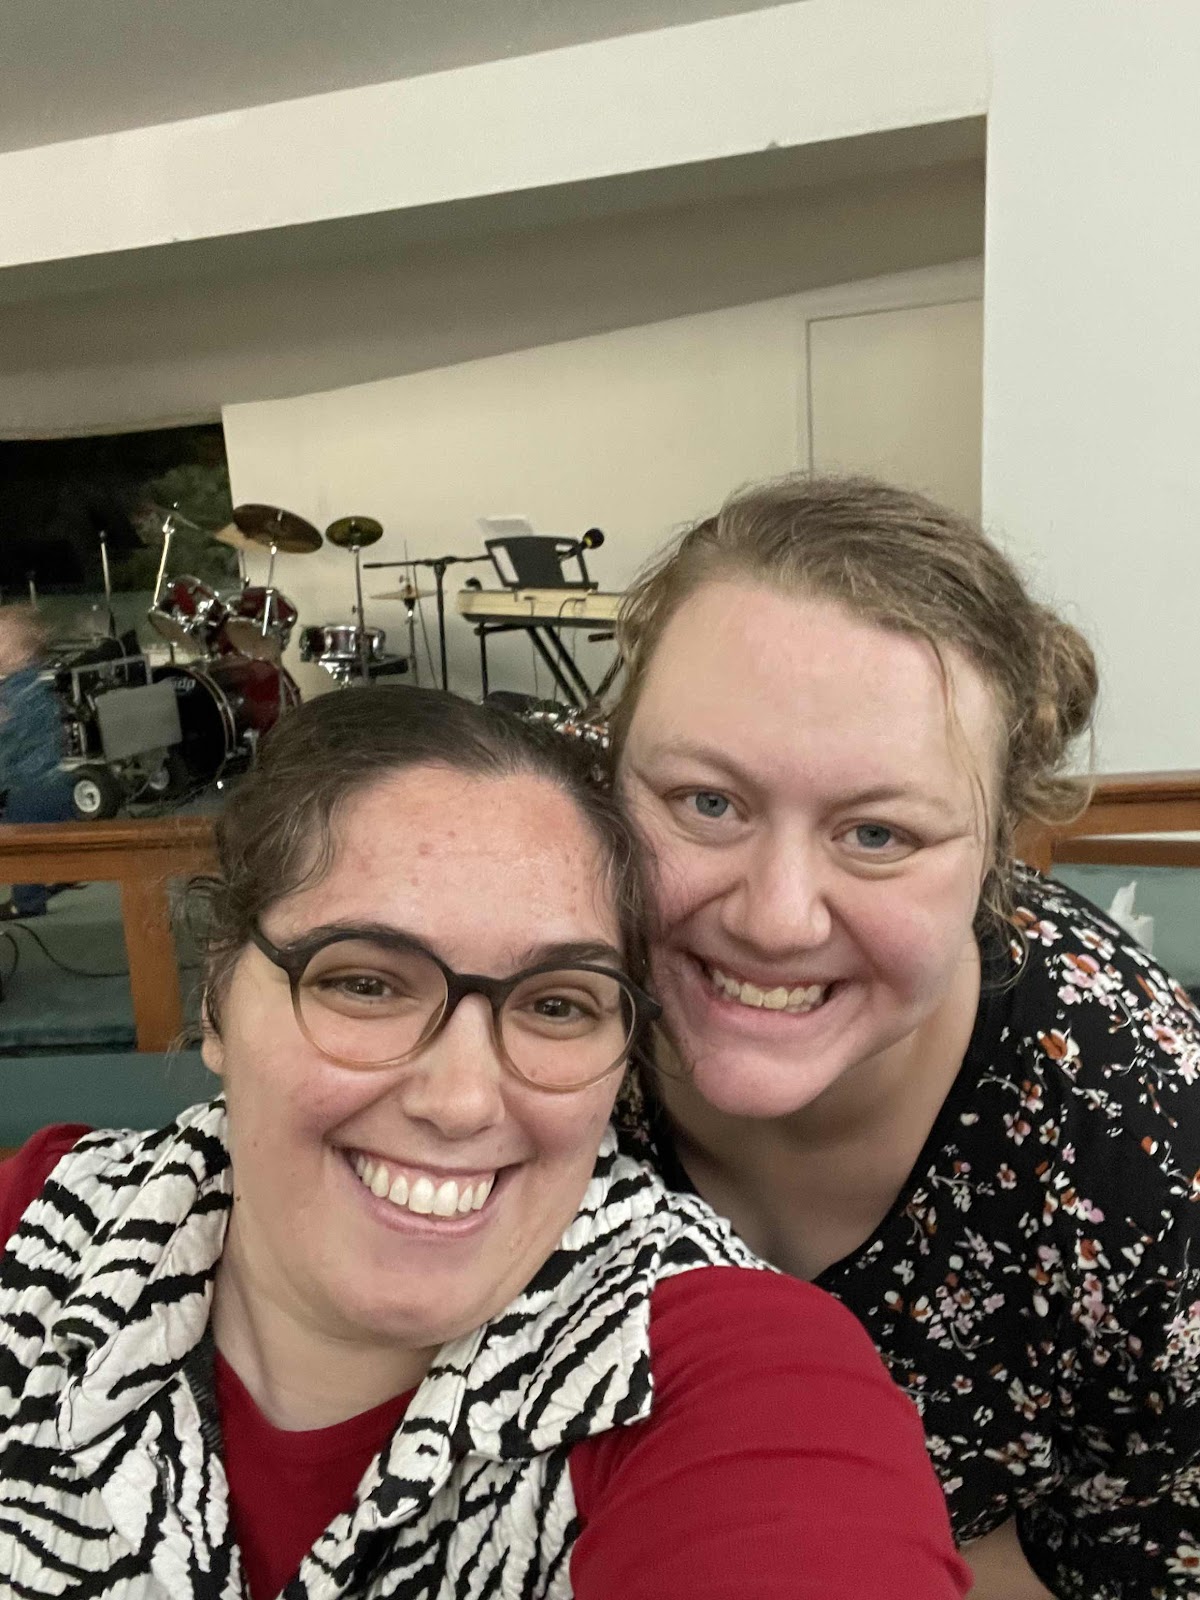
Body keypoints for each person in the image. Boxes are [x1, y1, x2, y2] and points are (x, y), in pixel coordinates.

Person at [0, 686, 968, 1600]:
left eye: (556, 1005)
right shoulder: (44, 1230)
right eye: (365, 984)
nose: (462, 1101)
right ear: (218, 996)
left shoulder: (729, 1376)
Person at [609, 475, 1200, 1600]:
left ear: (997, 854)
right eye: (706, 803)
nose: (775, 918)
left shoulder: (1145, 1145)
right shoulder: (516, 986)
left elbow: (1145, 1541)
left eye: (877, 833)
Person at [0, 604, 75, 918]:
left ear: (21, 654)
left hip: (31, 788)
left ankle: (27, 901)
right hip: (55, 782)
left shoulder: (16, 695)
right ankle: (62, 873)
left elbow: (8, 742)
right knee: (44, 833)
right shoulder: (34, 686)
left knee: (19, 845)